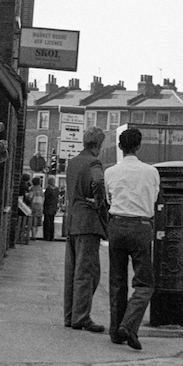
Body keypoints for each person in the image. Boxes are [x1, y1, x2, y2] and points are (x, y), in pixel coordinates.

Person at [103, 126, 161, 351]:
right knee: (144, 283)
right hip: (141, 226)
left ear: (120, 146)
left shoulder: (110, 172)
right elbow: (154, 197)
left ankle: (116, 331)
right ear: (139, 146)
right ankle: (128, 325)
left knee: (117, 281)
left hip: (116, 224)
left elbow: (109, 198)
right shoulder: (151, 172)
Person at [63, 126, 108, 333]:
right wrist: (99, 201)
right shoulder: (93, 162)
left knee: (72, 272)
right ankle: (82, 317)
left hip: (72, 221)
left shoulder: (72, 162)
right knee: (88, 273)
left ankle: (70, 316)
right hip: (88, 223)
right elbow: (98, 181)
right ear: (98, 145)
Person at [42, 176, 59, 241]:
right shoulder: (57, 189)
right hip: (54, 207)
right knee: (52, 222)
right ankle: (51, 236)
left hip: (48, 207)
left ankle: (46, 236)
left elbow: (46, 198)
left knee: (47, 222)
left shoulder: (48, 188)